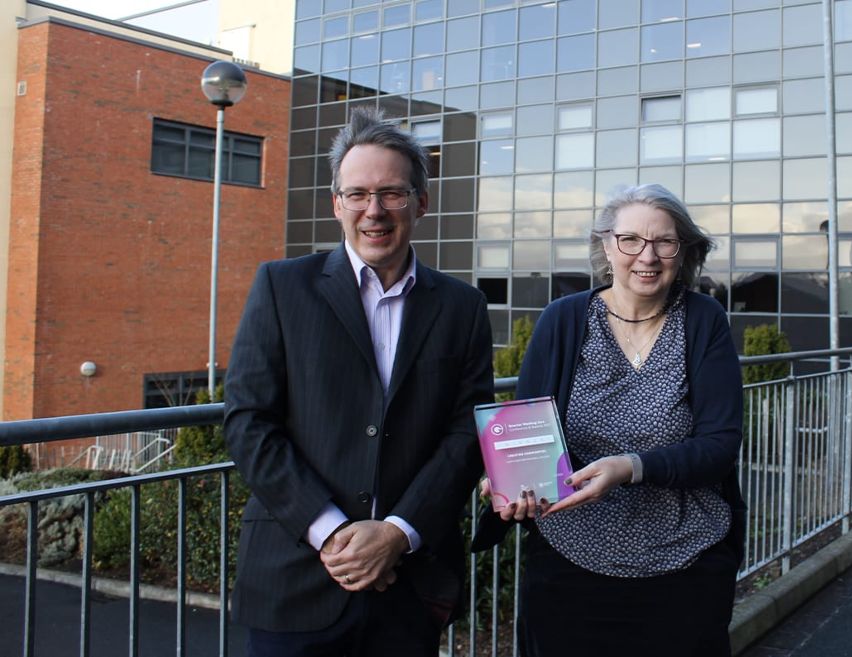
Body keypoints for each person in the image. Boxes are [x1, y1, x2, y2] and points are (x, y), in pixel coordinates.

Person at [223, 108, 494, 657]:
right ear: (337, 204)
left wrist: (396, 532)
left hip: (409, 587)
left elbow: (467, 433)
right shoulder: (282, 287)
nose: (374, 211)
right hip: (294, 583)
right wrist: (332, 534)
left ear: (421, 202)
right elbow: (250, 422)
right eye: (358, 194)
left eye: (392, 193)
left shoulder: (462, 306)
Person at [474, 184, 746, 657]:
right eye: (631, 240)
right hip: (569, 563)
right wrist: (505, 477)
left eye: (665, 241)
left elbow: (720, 445)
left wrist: (630, 467)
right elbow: (526, 430)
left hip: (684, 563)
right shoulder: (563, 319)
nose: (648, 255)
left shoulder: (704, 319)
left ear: (683, 252)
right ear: (606, 245)